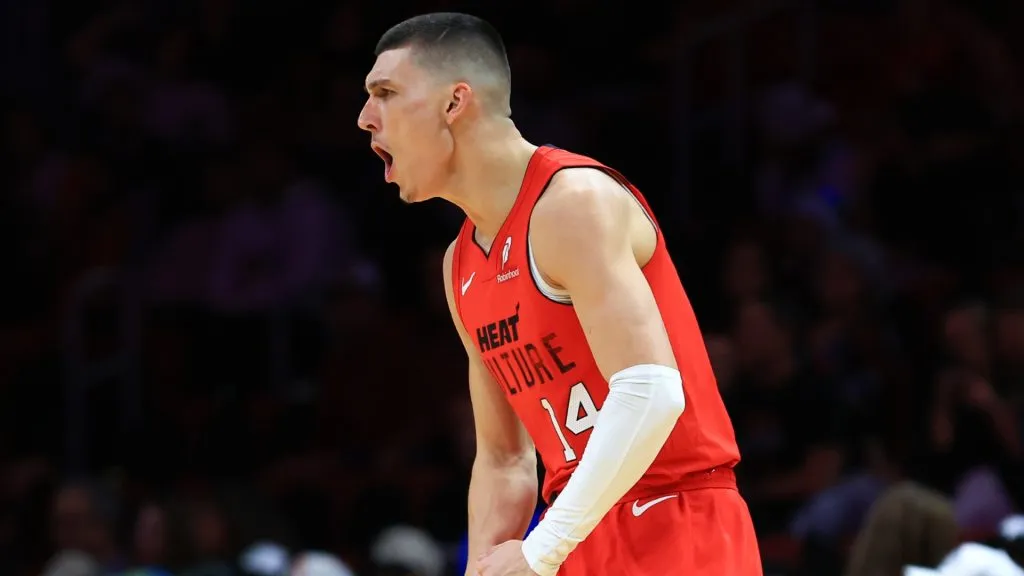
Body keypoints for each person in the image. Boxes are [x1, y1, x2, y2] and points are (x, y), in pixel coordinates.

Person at [357, 12, 761, 576]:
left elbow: (651, 391)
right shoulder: (459, 266)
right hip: (576, 530)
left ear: (455, 103)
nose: (365, 118)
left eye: (386, 93)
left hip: (674, 515)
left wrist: (542, 548)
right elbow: (504, 459)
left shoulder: (573, 202)